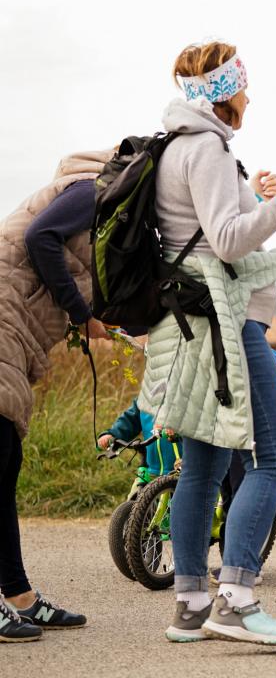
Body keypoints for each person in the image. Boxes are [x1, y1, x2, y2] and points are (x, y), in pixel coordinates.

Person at [146, 40, 276, 645]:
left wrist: (260, 195)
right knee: (274, 460)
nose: (250, 96)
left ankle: (192, 604)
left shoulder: (181, 145)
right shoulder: (207, 148)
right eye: (243, 87)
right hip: (231, 326)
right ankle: (237, 600)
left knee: (204, 468)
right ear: (225, 93)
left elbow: (213, 228)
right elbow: (226, 241)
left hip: (196, 325)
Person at [0, 149, 110, 641]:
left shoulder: (96, 204)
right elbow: (39, 238)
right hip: (3, 317)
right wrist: (81, 314)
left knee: (7, 461)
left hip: (14, 327)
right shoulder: (93, 189)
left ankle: (19, 594)